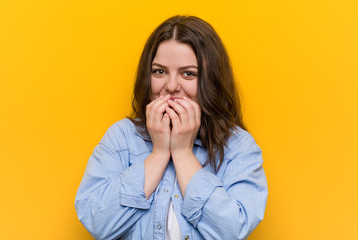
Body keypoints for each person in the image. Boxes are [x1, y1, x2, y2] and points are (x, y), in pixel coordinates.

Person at [75, 15, 268, 240]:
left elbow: (233, 232)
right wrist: (158, 153)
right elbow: (96, 222)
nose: (171, 86)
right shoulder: (121, 137)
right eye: (159, 71)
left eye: (189, 73)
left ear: (211, 80)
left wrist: (183, 152)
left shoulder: (239, 147)